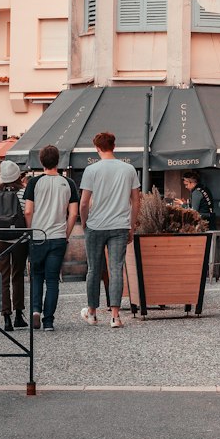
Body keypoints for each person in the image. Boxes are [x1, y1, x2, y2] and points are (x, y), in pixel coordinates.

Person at [78, 131, 141, 329]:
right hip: (120, 226)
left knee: (93, 269)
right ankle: (115, 316)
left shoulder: (91, 170)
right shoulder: (129, 169)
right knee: (116, 270)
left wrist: (85, 222)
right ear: (114, 146)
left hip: (96, 225)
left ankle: (92, 312)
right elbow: (136, 201)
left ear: (97, 147)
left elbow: (84, 202)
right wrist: (132, 225)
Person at [23, 145, 80, 330]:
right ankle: (48, 321)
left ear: (41, 161)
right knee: (53, 279)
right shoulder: (68, 183)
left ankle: (35, 311)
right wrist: (66, 233)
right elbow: (73, 214)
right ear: (58, 161)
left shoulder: (34, 183)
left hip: (38, 236)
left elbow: (29, 210)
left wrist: (31, 230)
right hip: (58, 237)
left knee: (37, 275)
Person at [0, 158, 29, 330]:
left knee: (2, 278)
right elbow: (28, 217)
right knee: (18, 276)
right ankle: (19, 314)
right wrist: (27, 238)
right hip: (19, 241)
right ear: (18, 176)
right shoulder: (22, 194)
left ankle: (6, 318)